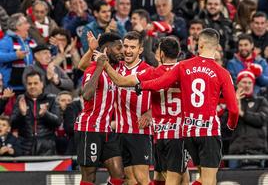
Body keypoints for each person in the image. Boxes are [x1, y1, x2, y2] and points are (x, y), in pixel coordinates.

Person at [136, 28, 239, 185]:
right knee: (209, 180)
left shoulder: (183, 66)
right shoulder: (222, 72)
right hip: (208, 131)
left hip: (189, 132)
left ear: (200, 44)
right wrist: (231, 125)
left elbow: (161, 83)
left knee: (201, 176)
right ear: (217, 46)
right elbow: (233, 109)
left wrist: (142, 85)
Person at [97, 36, 190, 184]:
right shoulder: (117, 66)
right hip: (123, 131)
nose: (127, 50)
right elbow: (84, 67)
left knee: (145, 178)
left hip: (142, 131)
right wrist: (93, 51)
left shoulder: (149, 70)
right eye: (125, 46)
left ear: (141, 50)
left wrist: (150, 112)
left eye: (132, 47)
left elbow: (123, 82)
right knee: (131, 179)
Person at [74, 32, 125, 185]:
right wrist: (99, 67)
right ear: (107, 50)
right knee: (89, 177)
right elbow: (87, 95)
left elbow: (80, 65)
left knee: (119, 176)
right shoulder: (93, 69)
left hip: (107, 130)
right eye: (118, 48)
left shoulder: (116, 69)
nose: (121, 51)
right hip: (89, 128)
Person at [11, 70, 61, 156]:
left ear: (42, 84)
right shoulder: (21, 99)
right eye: (29, 84)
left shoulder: (51, 99)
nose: (32, 86)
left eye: (35, 83)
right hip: (25, 147)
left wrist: (45, 114)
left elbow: (57, 123)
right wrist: (21, 113)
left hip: (47, 148)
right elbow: (13, 124)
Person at [228, 69, 268, 169]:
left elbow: (261, 119)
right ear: (238, 84)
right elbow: (226, 125)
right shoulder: (231, 102)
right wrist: (234, 106)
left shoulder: (261, 101)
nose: (247, 85)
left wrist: (241, 113)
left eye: (250, 82)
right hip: (236, 152)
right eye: (244, 82)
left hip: (257, 151)